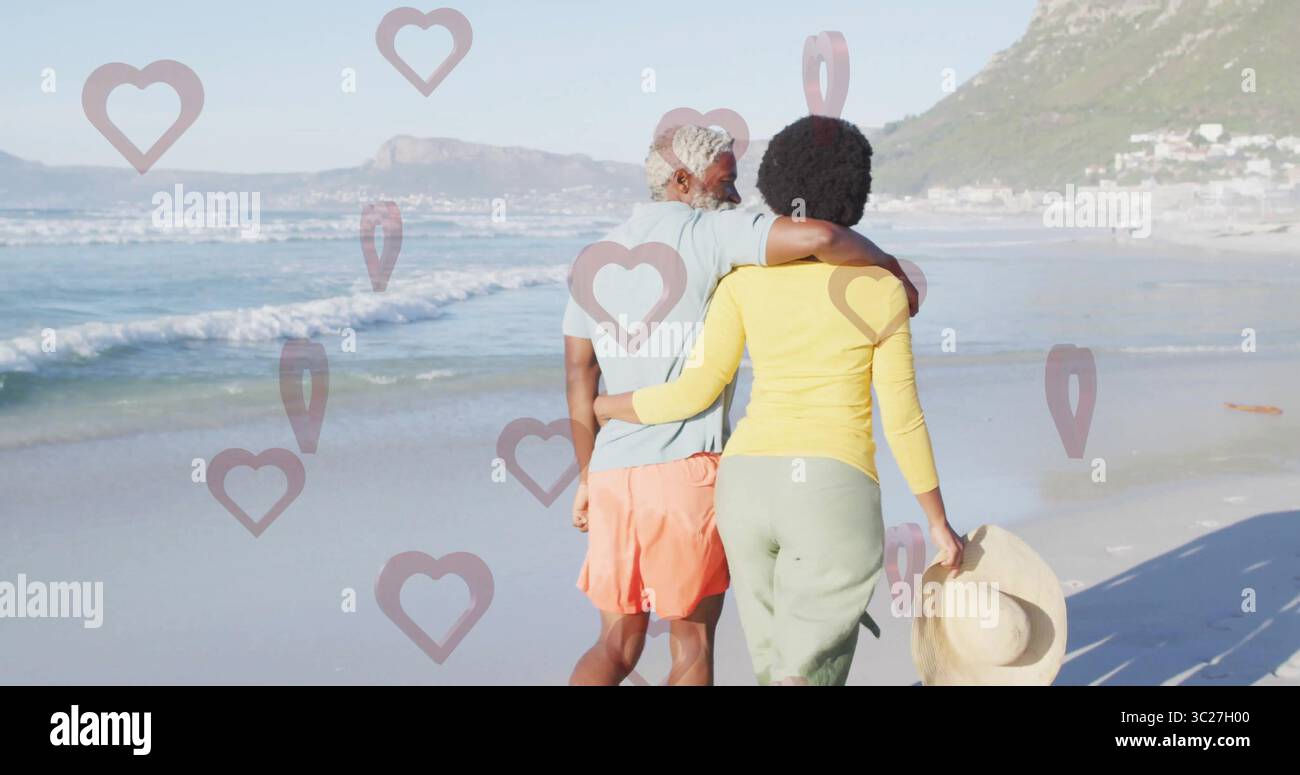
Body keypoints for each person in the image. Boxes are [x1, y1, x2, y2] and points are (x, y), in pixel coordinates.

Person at [593, 116, 964, 685]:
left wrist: (609, 407)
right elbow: (903, 418)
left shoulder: (742, 280)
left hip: (743, 489)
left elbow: (695, 391)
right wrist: (938, 522)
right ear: (856, 191)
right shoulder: (880, 288)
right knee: (806, 671)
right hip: (830, 490)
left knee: (771, 667)